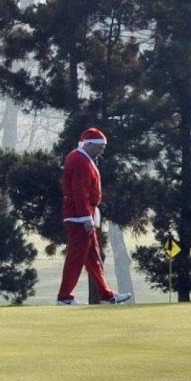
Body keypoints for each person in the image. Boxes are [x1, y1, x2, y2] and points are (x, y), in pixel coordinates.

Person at [56, 128, 131, 305]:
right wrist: (85, 217)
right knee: (76, 257)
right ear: (89, 145)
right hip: (79, 217)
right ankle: (65, 296)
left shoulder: (81, 158)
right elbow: (79, 191)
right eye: (100, 147)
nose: (102, 151)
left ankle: (106, 294)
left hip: (84, 215)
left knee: (94, 258)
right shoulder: (80, 159)